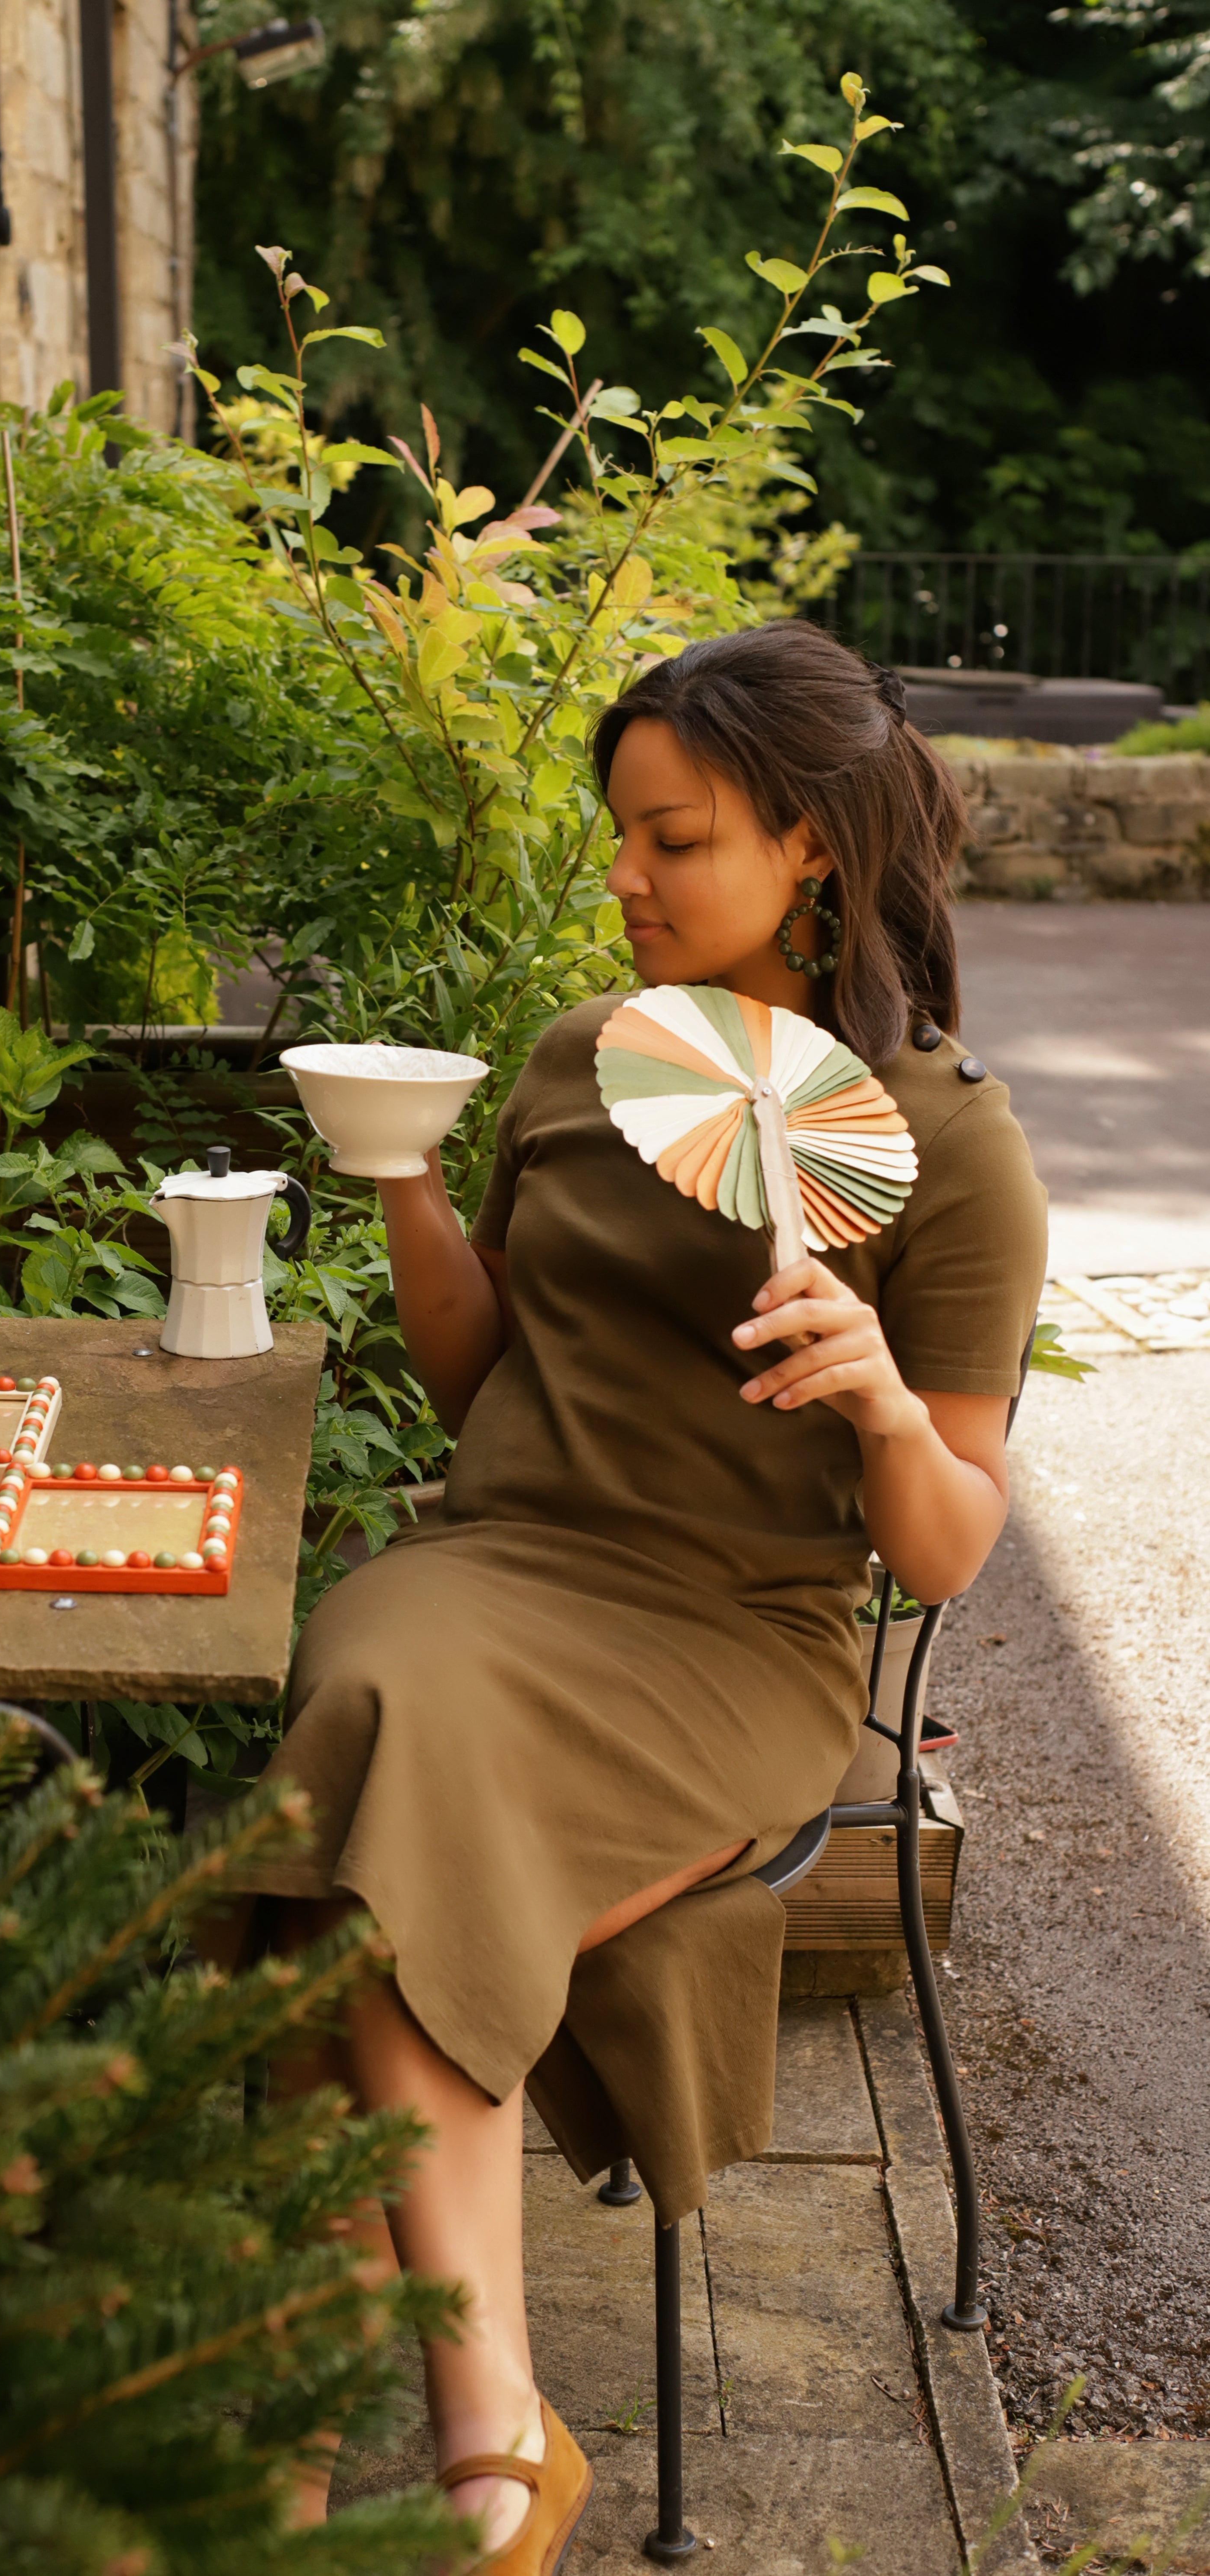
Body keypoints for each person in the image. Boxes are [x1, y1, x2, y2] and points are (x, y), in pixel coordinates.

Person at [222, 620, 1047, 2573]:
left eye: (672, 839)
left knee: (344, 1863)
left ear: (814, 844)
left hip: (726, 1643)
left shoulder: (945, 1146)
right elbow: (481, 1377)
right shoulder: (585, 1060)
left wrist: (872, 1398)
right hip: (500, 1566)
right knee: (386, 1690)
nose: (626, 877)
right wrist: (410, 1182)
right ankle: (493, 2443)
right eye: (621, 836)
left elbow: (943, 1549)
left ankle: (353, 2450)